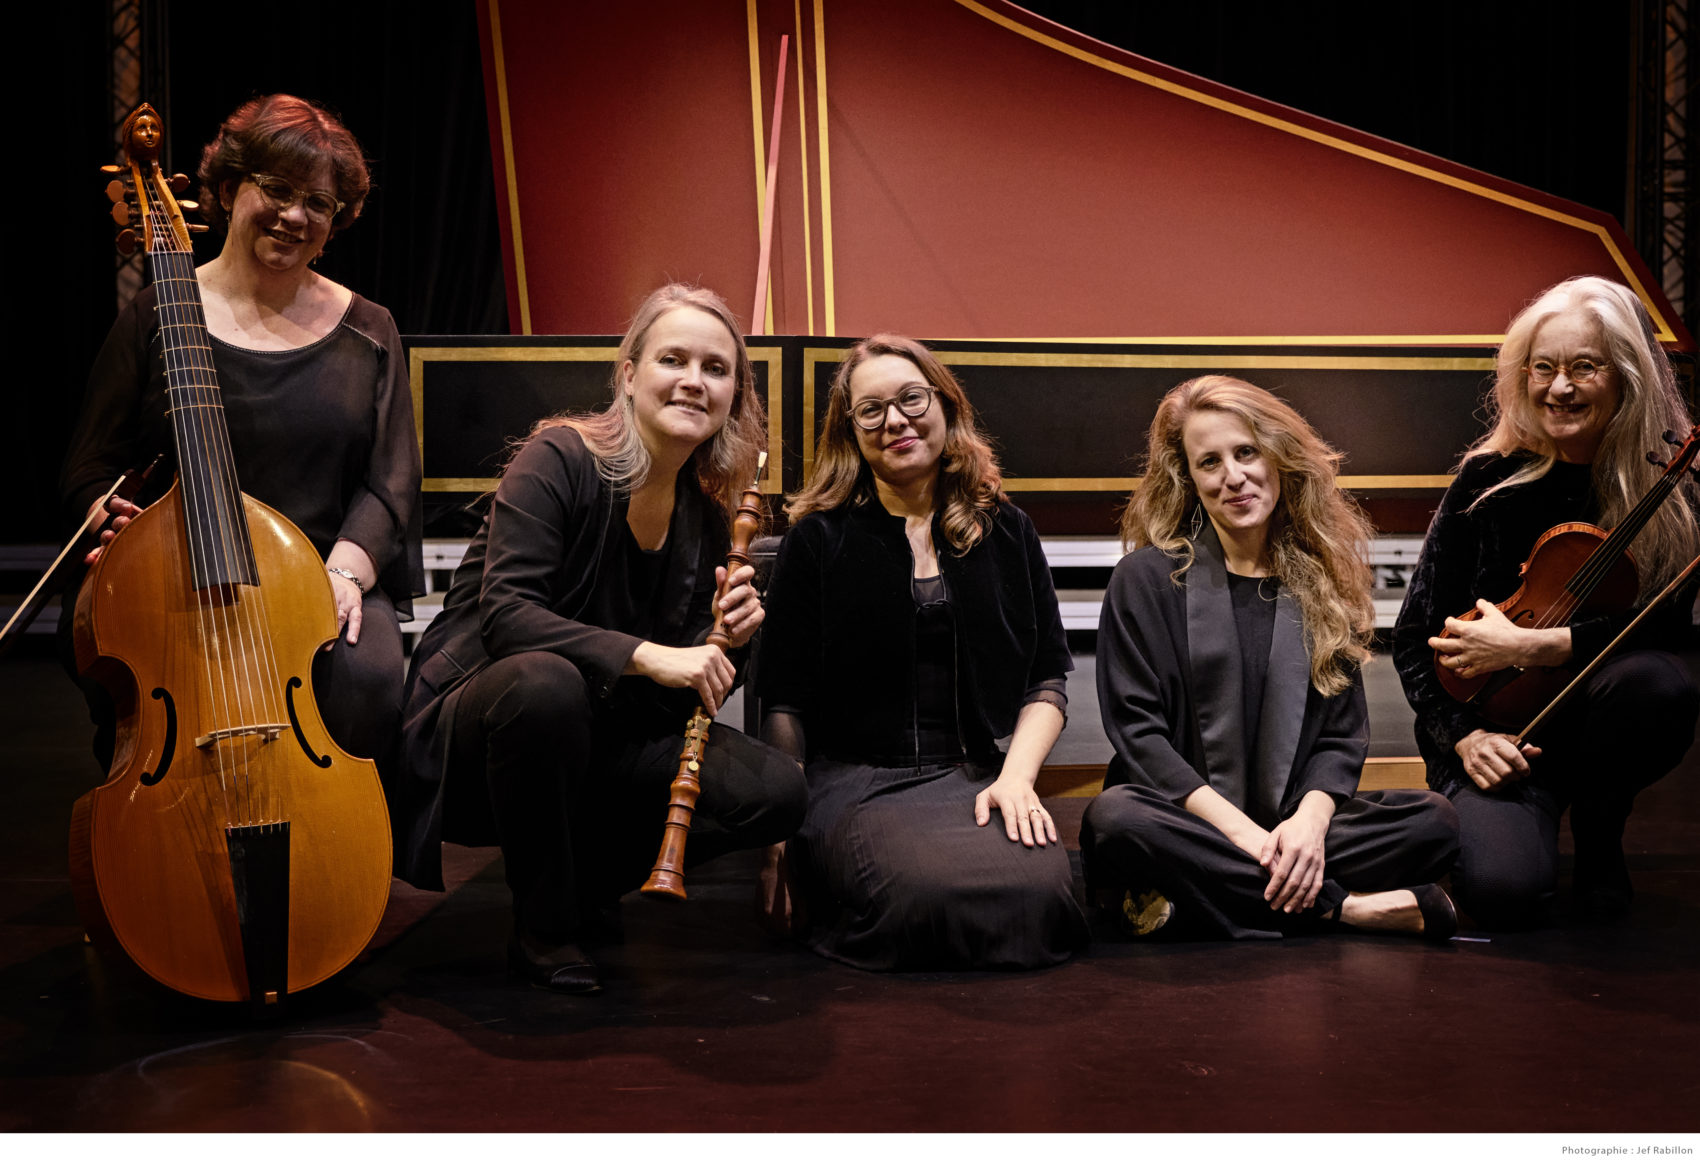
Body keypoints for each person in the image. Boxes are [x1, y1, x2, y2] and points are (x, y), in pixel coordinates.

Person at [395, 284, 806, 994]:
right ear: (628, 375)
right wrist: (650, 656)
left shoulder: (704, 514)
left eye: (715, 369)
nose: (692, 381)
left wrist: (726, 645)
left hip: (598, 733)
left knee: (775, 791)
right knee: (545, 685)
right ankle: (544, 928)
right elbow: (508, 617)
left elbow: (674, 699)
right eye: (672, 359)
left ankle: (579, 879)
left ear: (734, 394)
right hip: (483, 734)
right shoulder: (557, 458)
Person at [61, 93, 423, 777]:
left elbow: (391, 480)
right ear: (228, 189)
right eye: (276, 190)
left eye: (318, 203)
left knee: (367, 679)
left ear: (336, 221)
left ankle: (333, 859)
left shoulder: (369, 329)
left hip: (318, 571)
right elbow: (92, 465)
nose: (294, 216)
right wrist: (108, 517)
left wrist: (344, 574)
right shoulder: (156, 314)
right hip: (182, 574)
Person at [1085, 376, 1459, 940]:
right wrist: (1252, 840)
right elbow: (1140, 737)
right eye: (1209, 462)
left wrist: (1308, 826)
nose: (1234, 477)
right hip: (1192, 820)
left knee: (1433, 822)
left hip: (1286, 824)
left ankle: (1196, 901)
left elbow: (1339, 738)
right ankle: (1343, 909)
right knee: (1116, 820)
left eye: (1246, 452)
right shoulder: (1146, 581)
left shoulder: (1317, 582)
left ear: (1279, 459)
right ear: (1188, 478)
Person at [756, 334, 1088, 970]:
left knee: (1039, 898)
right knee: (924, 899)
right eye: (871, 410)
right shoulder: (817, 539)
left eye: (911, 398)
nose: (896, 421)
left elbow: (1047, 679)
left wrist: (1016, 778)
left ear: (945, 405)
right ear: (849, 430)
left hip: (976, 775)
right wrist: (777, 838)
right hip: (854, 780)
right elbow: (784, 700)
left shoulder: (1008, 529)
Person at [1393, 276, 1700, 927]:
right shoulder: (1488, 480)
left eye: (1583, 367)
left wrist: (1545, 644)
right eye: (1544, 368)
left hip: (1595, 728)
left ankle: (1599, 826)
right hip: (1497, 731)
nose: (1559, 388)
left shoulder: (1670, 490)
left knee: (1657, 684)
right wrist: (1463, 736)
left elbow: (1676, 634)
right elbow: (1415, 633)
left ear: (1626, 377)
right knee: (1503, 893)